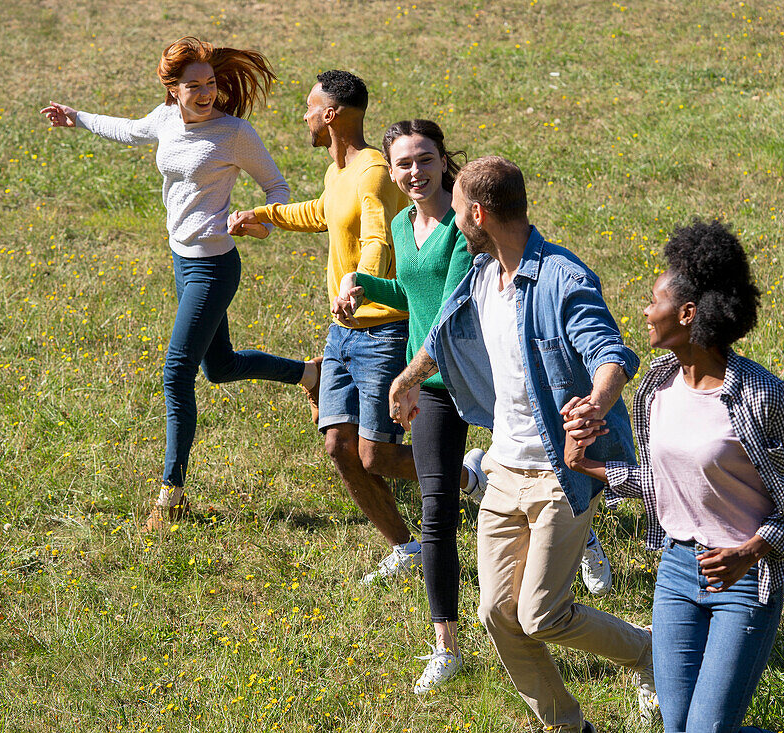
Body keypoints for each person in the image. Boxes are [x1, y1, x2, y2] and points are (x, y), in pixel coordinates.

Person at [388, 156, 655, 731]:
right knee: (495, 612)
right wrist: (408, 379)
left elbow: (610, 353)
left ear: (479, 214)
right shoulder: (483, 275)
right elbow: (444, 333)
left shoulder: (563, 277)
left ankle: (648, 653)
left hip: (561, 473)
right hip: (504, 470)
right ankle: (567, 725)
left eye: (458, 213)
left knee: (539, 614)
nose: (454, 222)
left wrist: (595, 402)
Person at [563, 219, 784, 733]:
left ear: (688, 313)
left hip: (745, 579)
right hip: (676, 570)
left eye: (655, 301)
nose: (646, 312)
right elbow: (665, 482)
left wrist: (754, 549)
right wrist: (594, 467)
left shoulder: (764, 397)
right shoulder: (655, 389)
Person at [40, 37, 319, 530]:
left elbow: (277, 189)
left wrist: (259, 223)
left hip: (214, 266)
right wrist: (76, 117)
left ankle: (171, 495)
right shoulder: (167, 119)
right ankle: (308, 375)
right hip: (181, 260)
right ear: (172, 90)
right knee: (220, 367)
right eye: (193, 86)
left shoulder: (233, 133)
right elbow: (130, 131)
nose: (206, 93)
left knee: (176, 372)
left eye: (210, 83)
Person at [227, 71, 423, 583]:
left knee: (375, 453)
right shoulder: (339, 172)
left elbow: (379, 237)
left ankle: (474, 477)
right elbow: (323, 212)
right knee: (339, 445)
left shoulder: (373, 173)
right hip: (342, 331)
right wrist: (264, 213)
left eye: (311, 108)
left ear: (332, 114)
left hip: (382, 329)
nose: (306, 117)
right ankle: (407, 547)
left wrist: (359, 282)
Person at [331, 119, 487, 694]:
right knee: (437, 509)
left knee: (548, 470)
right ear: (392, 170)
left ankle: (584, 530)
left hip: (482, 377)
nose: (414, 172)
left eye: (425, 160)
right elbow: (413, 297)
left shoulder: (462, 224)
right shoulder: (400, 223)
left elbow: (450, 309)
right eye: (404, 164)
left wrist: (408, 375)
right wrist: (362, 283)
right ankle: (447, 644)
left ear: (445, 162)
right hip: (433, 386)